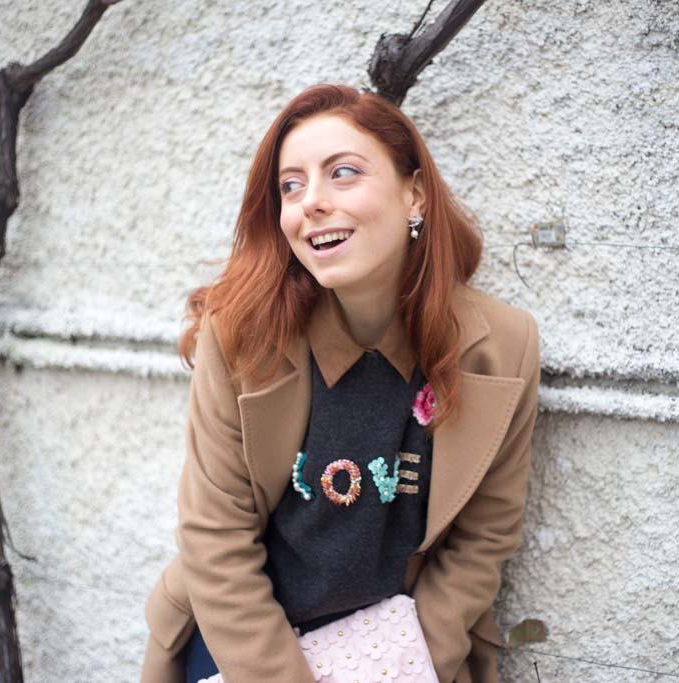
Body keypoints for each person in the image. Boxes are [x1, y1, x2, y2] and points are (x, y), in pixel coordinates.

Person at [140, 83, 542, 683]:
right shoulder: (242, 336)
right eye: (291, 185)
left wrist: (408, 667)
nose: (311, 202)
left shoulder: (502, 346)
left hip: (403, 648)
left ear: (414, 194)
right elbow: (215, 539)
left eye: (343, 173)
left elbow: (483, 540)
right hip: (243, 642)